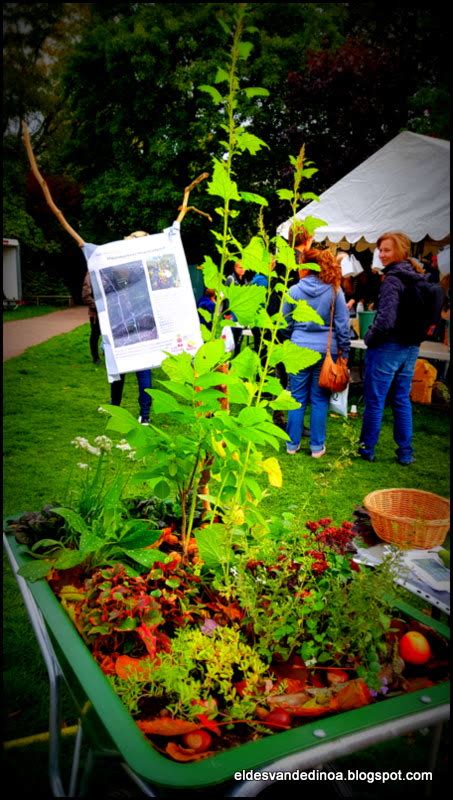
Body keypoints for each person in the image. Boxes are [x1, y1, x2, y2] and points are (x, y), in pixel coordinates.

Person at [358, 231, 435, 465]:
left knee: (376, 399)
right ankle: (405, 452)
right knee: (401, 399)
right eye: (380, 250)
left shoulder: (393, 279)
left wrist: (369, 337)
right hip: (411, 347)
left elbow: (385, 320)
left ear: (401, 251)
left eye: (387, 250)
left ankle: (367, 449)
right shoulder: (416, 277)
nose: (381, 254)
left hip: (389, 347)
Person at [283, 247, 350, 457]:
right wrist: (344, 351)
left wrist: (292, 339)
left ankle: (291, 445)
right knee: (320, 399)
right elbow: (342, 324)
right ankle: (316, 447)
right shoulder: (334, 290)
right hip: (325, 352)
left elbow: (285, 323)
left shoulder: (293, 290)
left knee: (296, 398)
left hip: (298, 348)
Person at [83, 233, 153, 425]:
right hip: (130, 327)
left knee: (132, 372)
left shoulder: (113, 272)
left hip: (126, 327)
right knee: (135, 372)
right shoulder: (139, 272)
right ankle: (139, 413)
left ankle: (128, 410)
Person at [82, 271, 102, 364]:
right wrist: (97, 306)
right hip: (96, 314)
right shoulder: (90, 275)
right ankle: (96, 358)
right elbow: (86, 296)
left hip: (110, 311)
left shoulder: (106, 271)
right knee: (95, 334)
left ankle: (107, 353)